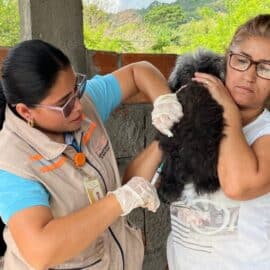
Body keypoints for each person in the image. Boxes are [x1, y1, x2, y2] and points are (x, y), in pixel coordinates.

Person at [0, 39, 183, 270]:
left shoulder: (81, 104)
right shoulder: (11, 162)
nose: (78, 106)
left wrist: (164, 101)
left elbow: (139, 70)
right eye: (64, 104)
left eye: (76, 88)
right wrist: (118, 201)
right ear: (26, 111)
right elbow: (40, 250)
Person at [124, 14, 270, 269]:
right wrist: (174, 126)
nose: (249, 76)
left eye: (266, 67)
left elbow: (237, 186)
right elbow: (132, 184)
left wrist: (228, 113)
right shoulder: (198, 121)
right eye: (242, 61)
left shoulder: (263, 132)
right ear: (227, 59)